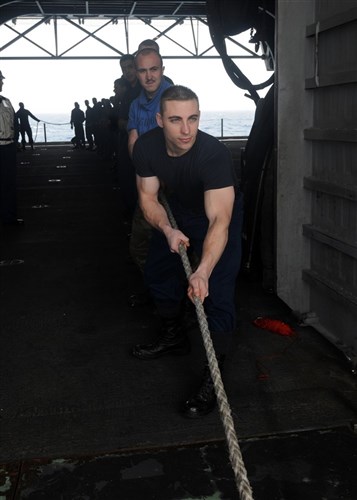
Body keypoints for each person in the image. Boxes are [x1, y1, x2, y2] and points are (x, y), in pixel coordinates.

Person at [131, 85, 243, 418]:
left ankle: (214, 374)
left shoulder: (213, 155)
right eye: (176, 119)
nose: (186, 130)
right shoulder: (146, 147)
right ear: (159, 119)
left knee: (217, 291)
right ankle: (173, 335)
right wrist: (167, 230)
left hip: (218, 216)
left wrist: (203, 270)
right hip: (178, 212)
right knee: (158, 271)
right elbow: (149, 199)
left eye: (193, 119)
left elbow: (219, 222)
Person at [127, 47, 172, 279]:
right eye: (143, 71)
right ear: (136, 73)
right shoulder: (136, 105)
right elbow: (133, 141)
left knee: (180, 244)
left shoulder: (174, 98)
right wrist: (145, 172)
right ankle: (158, 290)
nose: (149, 76)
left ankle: (181, 299)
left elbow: (182, 141)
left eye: (154, 69)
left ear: (162, 69)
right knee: (140, 245)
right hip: (148, 182)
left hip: (176, 186)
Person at [0, 70, 23, 225]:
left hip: (8, 146)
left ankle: (10, 217)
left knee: (9, 183)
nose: (2, 82)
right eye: (0, 80)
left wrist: (16, 141)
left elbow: (15, 122)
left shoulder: (6, 101)